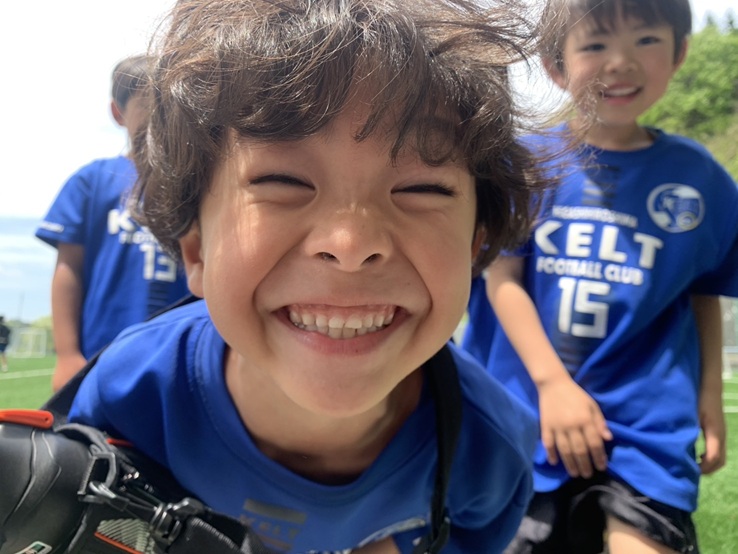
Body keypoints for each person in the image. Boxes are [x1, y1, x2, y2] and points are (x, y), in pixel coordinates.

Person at [62, 0, 562, 551]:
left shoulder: (490, 450)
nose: (350, 245)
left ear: (472, 249)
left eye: (422, 188)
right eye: (282, 181)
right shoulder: (130, 394)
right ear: (197, 249)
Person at [468, 0, 738, 552]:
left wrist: (709, 394)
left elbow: (703, 292)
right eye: (595, 45)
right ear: (555, 67)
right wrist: (553, 385)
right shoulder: (524, 164)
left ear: (680, 53)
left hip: (646, 426)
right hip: (527, 413)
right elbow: (502, 280)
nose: (620, 62)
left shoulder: (700, 178)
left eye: (646, 40)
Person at [35, 55, 189, 392]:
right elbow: (69, 269)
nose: (161, 115)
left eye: (170, 102)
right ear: (118, 113)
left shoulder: (198, 184)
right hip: (99, 357)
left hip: (185, 357)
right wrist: (67, 354)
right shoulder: (92, 181)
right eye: (149, 103)